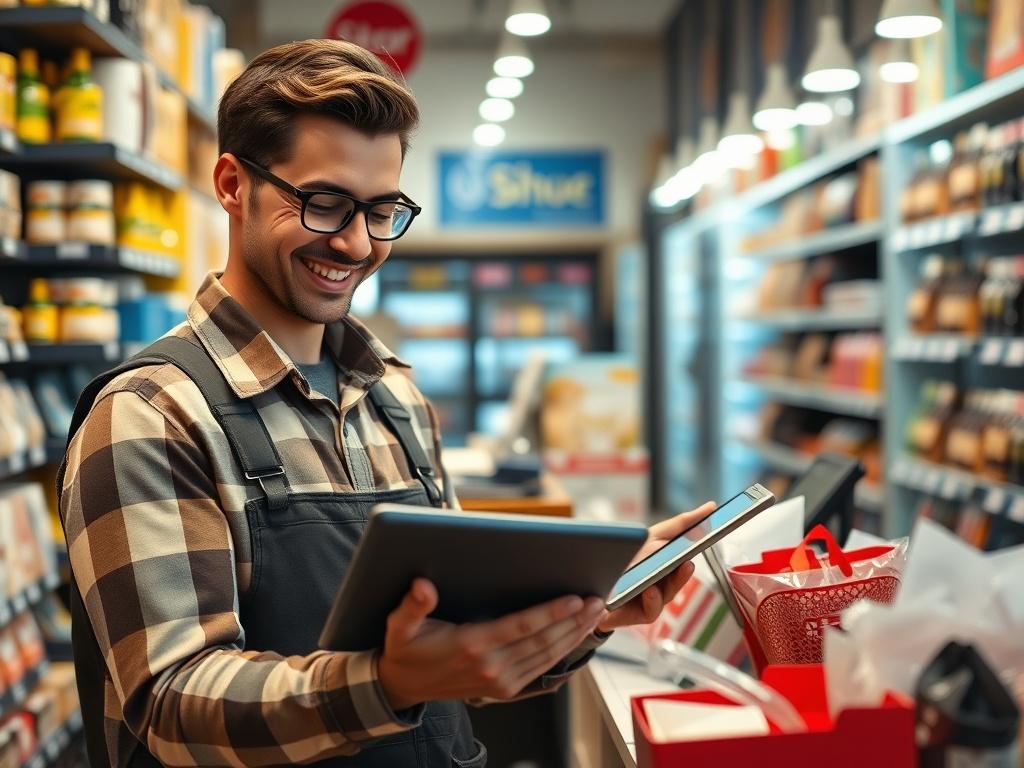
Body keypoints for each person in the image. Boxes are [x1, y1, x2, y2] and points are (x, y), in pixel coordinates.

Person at [58, 38, 710, 768]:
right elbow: (172, 707)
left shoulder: (395, 395)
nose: (357, 243)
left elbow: (465, 663)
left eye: (382, 211)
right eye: (325, 202)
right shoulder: (151, 413)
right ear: (233, 185)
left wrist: (585, 612)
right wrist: (387, 682)